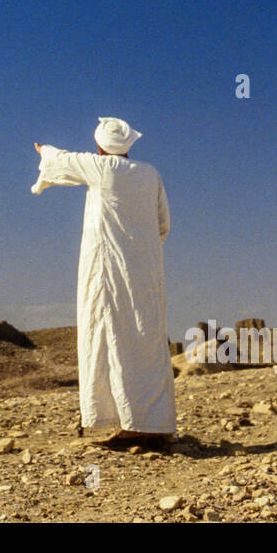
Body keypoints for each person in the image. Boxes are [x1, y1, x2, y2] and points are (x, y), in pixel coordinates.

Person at [31, 117, 175, 449]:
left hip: (109, 271)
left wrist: (43, 151)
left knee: (113, 336)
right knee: (146, 341)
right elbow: (163, 225)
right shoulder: (150, 174)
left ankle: (136, 426)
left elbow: (60, 159)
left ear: (100, 146)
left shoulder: (100, 168)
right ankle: (155, 423)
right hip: (146, 273)